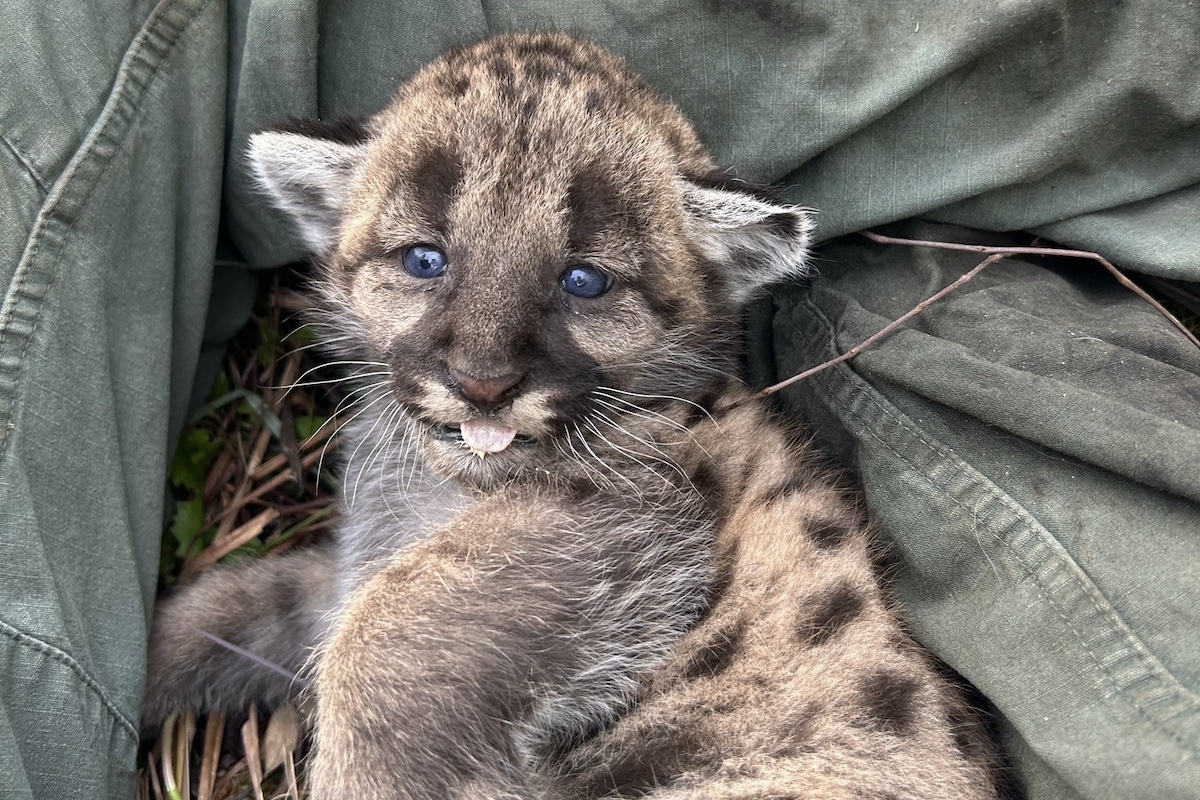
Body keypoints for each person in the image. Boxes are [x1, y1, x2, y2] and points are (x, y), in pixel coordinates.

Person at [1, 2, 1196, 798]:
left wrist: (389, 675)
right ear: (330, 220)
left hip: (792, 763)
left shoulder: (650, 448)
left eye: (585, 284)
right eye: (423, 261)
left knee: (396, 662)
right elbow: (370, 596)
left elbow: (552, 568)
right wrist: (170, 653)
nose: (481, 362)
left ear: (705, 287)